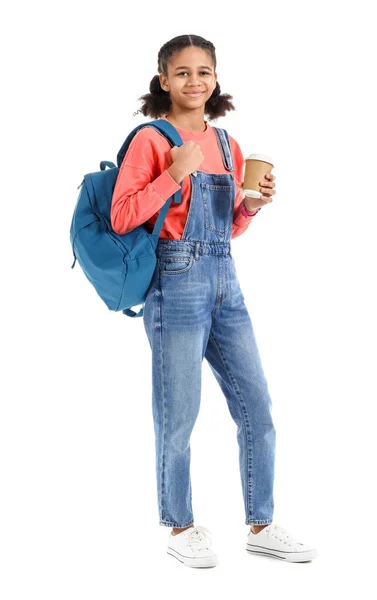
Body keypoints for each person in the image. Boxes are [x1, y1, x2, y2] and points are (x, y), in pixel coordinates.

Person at [111, 34, 318, 568]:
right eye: (182, 72)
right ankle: (180, 526)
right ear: (164, 81)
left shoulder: (227, 145)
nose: (195, 81)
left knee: (258, 408)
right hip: (174, 282)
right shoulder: (150, 141)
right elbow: (122, 216)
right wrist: (174, 173)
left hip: (227, 279)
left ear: (216, 79)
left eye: (204, 71)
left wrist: (252, 205)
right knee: (178, 416)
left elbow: (228, 227)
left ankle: (261, 523)